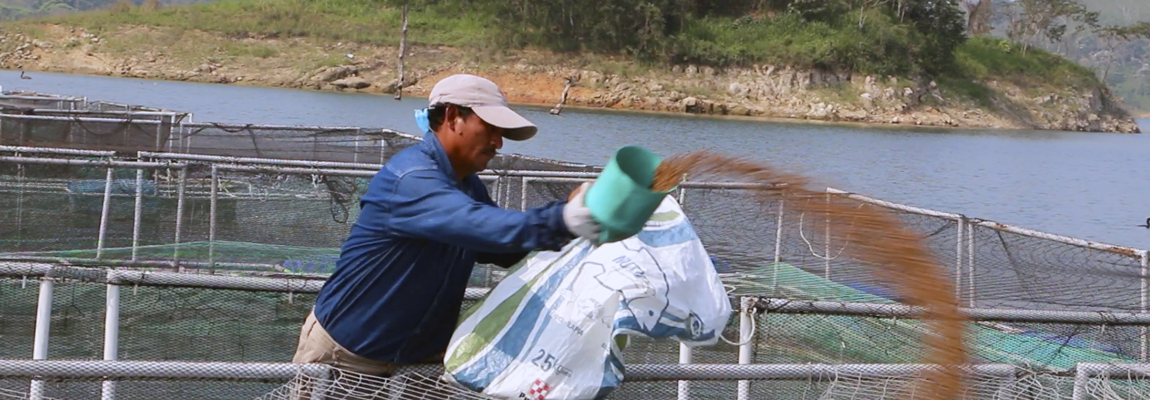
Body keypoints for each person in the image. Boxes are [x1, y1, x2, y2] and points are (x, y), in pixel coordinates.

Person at [292, 74, 602, 378]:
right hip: (345, 359)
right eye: (491, 128)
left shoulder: (468, 185)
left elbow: (500, 247)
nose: (498, 143)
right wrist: (563, 218)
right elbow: (480, 225)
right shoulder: (411, 179)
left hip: (417, 363)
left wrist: (576, 234)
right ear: (453, 117)